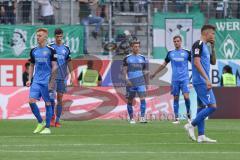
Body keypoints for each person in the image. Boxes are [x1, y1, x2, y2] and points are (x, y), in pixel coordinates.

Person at [184, 24, 217, 143]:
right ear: (206, 33)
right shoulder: (198, 44)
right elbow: (196, 63)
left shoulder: (206, 47)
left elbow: (213, 62)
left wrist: (213, 47)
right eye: (212, 33)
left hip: (201, 81)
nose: (214, 35)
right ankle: (191, 125)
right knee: (212, 106)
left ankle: (201, 135)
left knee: (202, 107)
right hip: (201, 81)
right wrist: (207, 79)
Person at [150, 35, 191, 124]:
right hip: (175, 80)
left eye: (178, 41)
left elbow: (195, 63)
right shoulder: (170, 53)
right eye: (175, 41)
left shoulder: (187, 53)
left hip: (185, 79)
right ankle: (176, 119)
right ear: (173, 42)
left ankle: (189, 116)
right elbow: (164, 64)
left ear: (181, 42)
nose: (176, 43)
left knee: (186, 97)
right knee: (175, 98)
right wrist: (155, 73)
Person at [26, 28, 57, 134]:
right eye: (37, 35)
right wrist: (29, 79)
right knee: (31, 101)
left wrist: (51, 81)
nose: (37, 37)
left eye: (40, 35)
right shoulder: (33, 51)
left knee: (48, 103)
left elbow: (54, 67)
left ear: (45, 37)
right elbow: (31, 65)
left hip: (47, 81)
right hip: (36, 81)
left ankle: (47, 127)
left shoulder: (51, 50)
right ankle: (40, 122)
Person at [49, 28, 76, 127]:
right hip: (52, 77)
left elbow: (69, 62)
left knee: (60, 99)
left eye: (60, 36)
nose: (59, 38)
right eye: (57, 37)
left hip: (62, 77)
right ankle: (51, 117)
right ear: (54, 36)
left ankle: (57, 120)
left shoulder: (66, 48)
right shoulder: (50, 47)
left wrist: (73, 76)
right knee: (51, 97)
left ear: (63, 36)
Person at [123, 39, 148, 124]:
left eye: (138, 46)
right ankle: (131, 118)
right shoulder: (127, 58)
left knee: (143, 99)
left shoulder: (143, 58)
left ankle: (142, 118)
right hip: (131, 83)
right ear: (131, 47)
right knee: (130, 100)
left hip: (141, 82)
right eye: (135, 46)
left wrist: (146, 83)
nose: (136, 48)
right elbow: (124, 71)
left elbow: (145, 71)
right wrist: (126, 79)